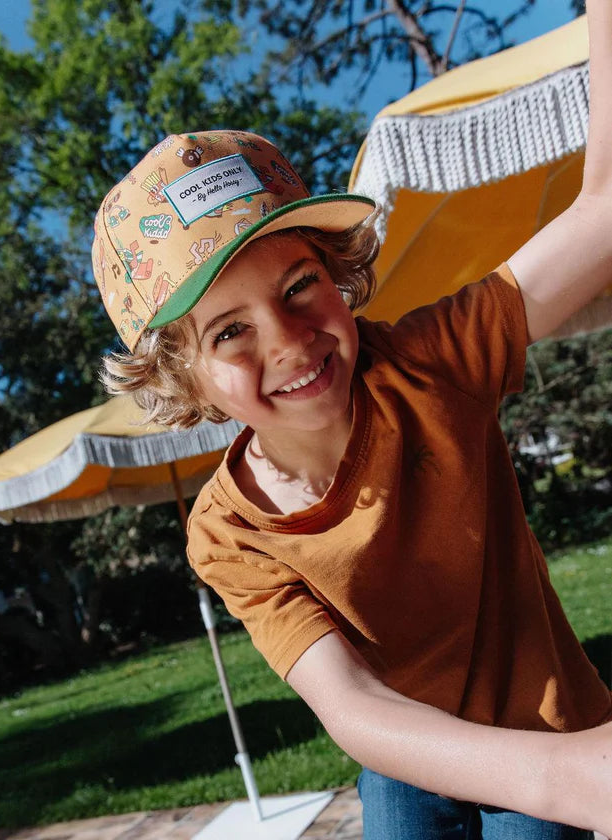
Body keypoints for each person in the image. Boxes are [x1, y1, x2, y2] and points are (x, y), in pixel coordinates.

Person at [90, 3, 612, 836]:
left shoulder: (428, 362)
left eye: (300, 284)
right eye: (230, 331)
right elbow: (351, 702)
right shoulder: (226, 532)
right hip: (401, 745)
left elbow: (603, 209)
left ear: (338, 271)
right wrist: (565, 782)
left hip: (541, 719)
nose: (291, 338)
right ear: (180, 378)